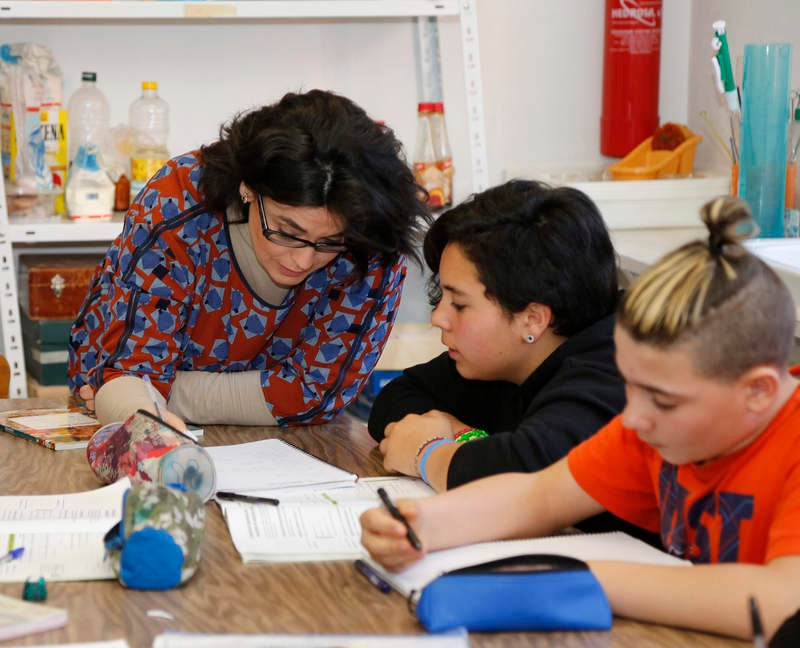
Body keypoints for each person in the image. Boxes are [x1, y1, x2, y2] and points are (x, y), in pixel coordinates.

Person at [361, 195, 800, 641]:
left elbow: (783, 601)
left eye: (664, 400)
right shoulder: (648, 427)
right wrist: (423, 523)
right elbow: (539, 497)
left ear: (758, 391)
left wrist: (583, 581)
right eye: (629, 384)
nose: (635, 417)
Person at [69, 89, 429, 429]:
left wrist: (154, 394)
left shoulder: (373, 235)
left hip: (283, 444)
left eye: (330, 242)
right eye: (287, 231)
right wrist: (132, 396)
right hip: (151, 433)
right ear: (247, 187)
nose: (303, 260)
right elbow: (129, 375)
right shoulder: (178, 202)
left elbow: (317, 393)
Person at [369, 180, 626, 495]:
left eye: (460, 304)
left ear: (532, 319)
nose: (438, 318)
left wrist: (430, 450)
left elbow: (531, 478)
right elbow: (395, 400)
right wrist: (463, 434)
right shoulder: (502, 359)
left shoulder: (615, 370)